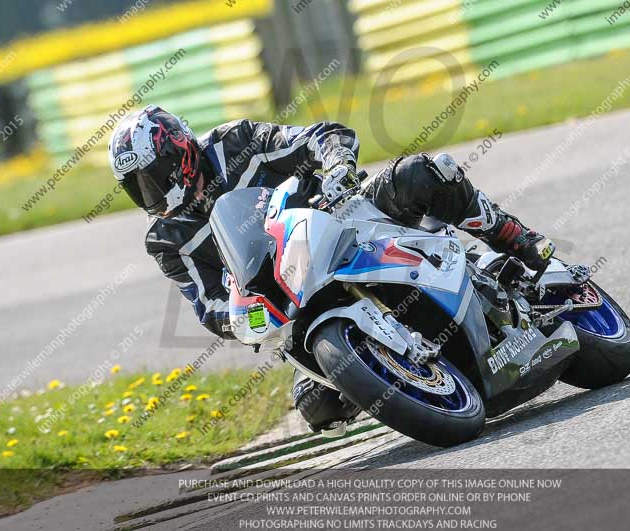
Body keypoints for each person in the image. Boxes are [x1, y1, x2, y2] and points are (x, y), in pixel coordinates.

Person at [108, 105, 554, 434]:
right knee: (316, 406)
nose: (150, 192)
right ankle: (397, 375)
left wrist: (337, 164)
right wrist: (241, 316)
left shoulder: (234, 143)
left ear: (178, 152)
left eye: (152, 176)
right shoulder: (165, 239)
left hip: (342, 222)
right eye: (136, 187)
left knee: (422, 173)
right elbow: (209, 305)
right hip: (292, 300)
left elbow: (320, 136)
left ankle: (513, 236)